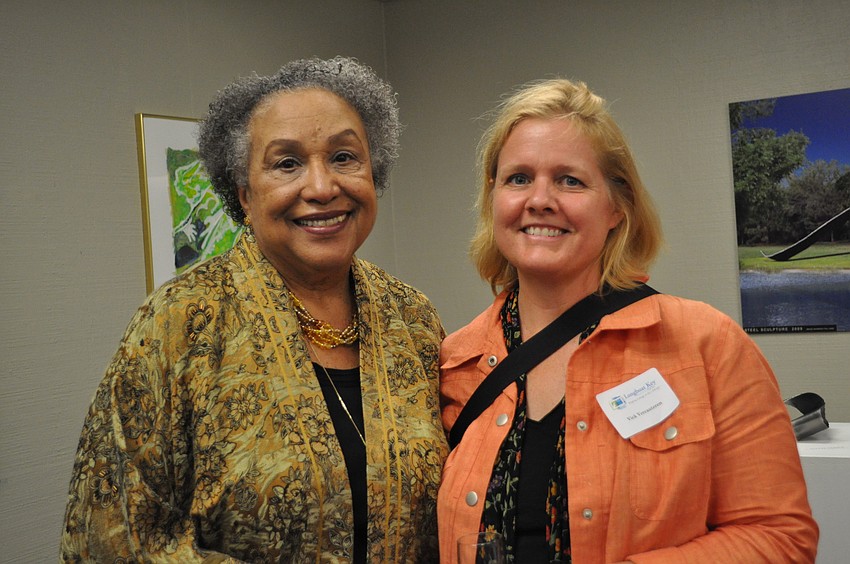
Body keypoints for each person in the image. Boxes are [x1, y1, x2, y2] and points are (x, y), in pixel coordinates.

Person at [60, 56, 448, 563]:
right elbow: (106, 541)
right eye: (287, 163)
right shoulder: (180, 323)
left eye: (344, 157)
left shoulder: (413, 319)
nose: (322, 187)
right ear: (244, 195)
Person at [437, 78, 818, 563]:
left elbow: (779, 537)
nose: (539, 199)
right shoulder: (455, 361)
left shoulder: (706, 344)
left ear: (617, 207)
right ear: (494, 199)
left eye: (570, 180)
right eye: (518, 178)